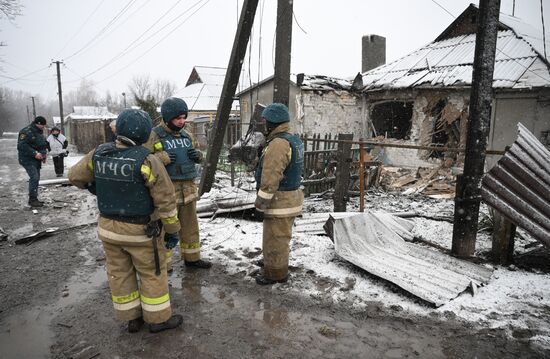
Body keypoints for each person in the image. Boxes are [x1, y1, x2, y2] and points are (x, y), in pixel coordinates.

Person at [68, 109, 183, 334]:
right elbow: (166, 200)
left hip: (109, 230)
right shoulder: (147, 160)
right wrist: (172, 230)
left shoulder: (98, 154)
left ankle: (132, 319)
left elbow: (75, 176)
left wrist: (94, 187)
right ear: (144, 133)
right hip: (141, 232)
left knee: (120, 273)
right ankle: (157, 319)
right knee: (152, 272)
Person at [144, 97, 212, 271]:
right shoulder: (153, 135)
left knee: (190, 226)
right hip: (166, 192)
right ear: (167, 118)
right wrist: (161, 158)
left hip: (188, 189)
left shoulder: (186, 134)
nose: (182, 121)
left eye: (184, 117)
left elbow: (197, 151)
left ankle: (192, 258)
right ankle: (165, 265)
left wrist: (198, 156)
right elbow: (143, 162)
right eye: (177, 118)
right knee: (166, 229)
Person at [254, 103, 304, 285]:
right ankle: (272, 263)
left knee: (276, 240)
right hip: (290, 198)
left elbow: (270, 178)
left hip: (280, 201)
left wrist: (260, 204)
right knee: (278, 237)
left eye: (265, 121)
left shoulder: (278, 144)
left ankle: (275, 274)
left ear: (272, 123)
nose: (263, 125)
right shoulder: (293, 139)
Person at [17, 116, 48, 207]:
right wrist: (34, 153)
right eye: (42, 125)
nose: (43, 127)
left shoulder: (39, 133)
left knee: (37, 177)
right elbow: (21, 146)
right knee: (34, 177)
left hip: (36, 160)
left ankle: (34, 198)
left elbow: (42, 145)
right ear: (38, 123)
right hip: (27, 159)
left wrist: (43, 155)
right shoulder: (26, 131)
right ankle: (32, 200)